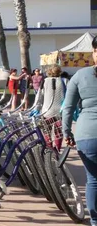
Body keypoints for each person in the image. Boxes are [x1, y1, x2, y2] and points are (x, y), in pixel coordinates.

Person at [62, 36, 97, 226]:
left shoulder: (79, 76)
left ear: (93, 52)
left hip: (87, 135)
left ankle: (95, 220)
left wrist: (67, 133)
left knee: (93, 180)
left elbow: (67, 108)